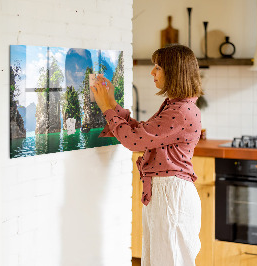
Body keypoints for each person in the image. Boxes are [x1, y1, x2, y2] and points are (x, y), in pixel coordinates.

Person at [91, 44, 203, 266]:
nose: (152, 72)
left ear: (174, 72)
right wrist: (112, 103)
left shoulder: (180, 111)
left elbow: (134, 141)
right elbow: (142, 133)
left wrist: (106, 108)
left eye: (158, 67)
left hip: (171, 195)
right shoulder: (176, 106)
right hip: (166, 193)